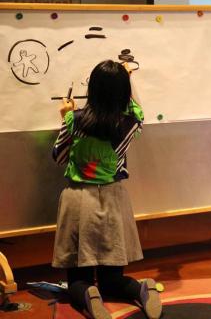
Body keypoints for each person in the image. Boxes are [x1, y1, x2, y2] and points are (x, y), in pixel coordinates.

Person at [51, 60, 162, 319]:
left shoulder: (73, 120)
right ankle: (142, 288)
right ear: (123, 93)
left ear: (92, 89)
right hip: (113, 198)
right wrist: (126, 76)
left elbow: (58, 156)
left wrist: (65, 115)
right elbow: (136, 108)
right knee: (113, 279)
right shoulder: (130, 123)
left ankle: (88, 294)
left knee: (78, 277)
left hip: (78, 199)